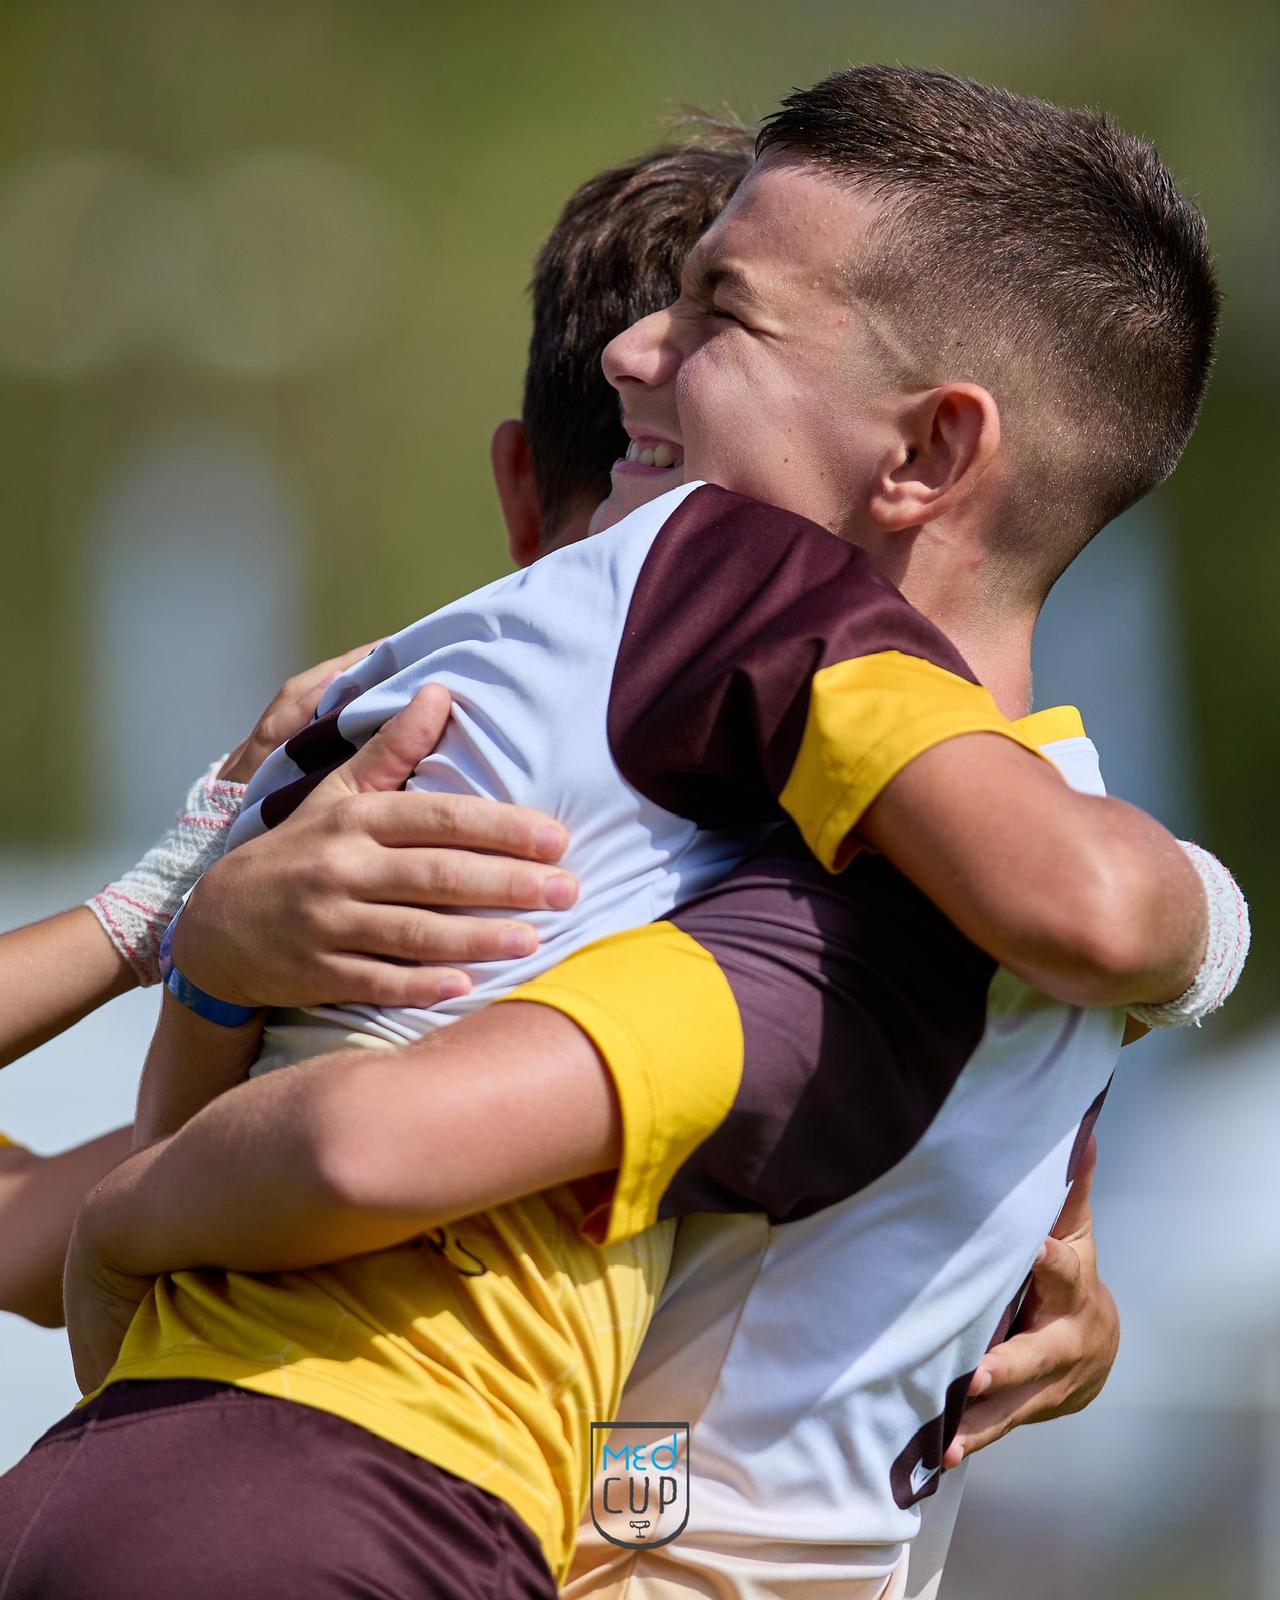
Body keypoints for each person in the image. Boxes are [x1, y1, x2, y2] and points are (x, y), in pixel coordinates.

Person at [0, 69, 1242, 1600]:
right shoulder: (731, 859)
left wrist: (144, 1155)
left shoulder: (879, 872)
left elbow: (336, 1159)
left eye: (721, 314)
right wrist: (177, 943)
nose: (639, 352)